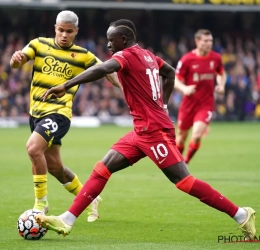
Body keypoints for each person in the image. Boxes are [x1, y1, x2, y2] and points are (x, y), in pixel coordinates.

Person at [35, 19, 256, 240]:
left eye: (111, 41)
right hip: (141, 130)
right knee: (102, 169)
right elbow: (169, 73)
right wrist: (164, 105)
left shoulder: (126, 56)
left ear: (123, 39)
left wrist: (66, 84)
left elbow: (103, 68)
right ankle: (67, 219)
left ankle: (241, 214)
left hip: (154, 131)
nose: (108, 46)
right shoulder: (149, 55)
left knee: (184, 181)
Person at [10, 10, 120, 222]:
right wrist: (16, 59)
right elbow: (18, 62)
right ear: (55, 28)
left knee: (33, 148)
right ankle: (90, 198)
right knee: (55, 168)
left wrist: (124, 88)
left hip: (59, 114)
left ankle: (40, 206)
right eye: (61, 30)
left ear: (76, 32)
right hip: (36, 114)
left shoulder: (83, 55)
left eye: (69, 32)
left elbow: (108, 70)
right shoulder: (39, 44)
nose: (64, 35)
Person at [174, 29, 227, 164]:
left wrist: (221, 85)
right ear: (197, 41)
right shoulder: (187, 59)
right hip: (188, 104)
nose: (209, 43)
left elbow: (221, 73)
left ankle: (185, 163)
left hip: (206, 104)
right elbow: (176, 80)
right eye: (206, 41)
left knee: (196, 135)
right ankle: (175, 165)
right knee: (181, 138)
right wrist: (184, 88)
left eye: (211, 41)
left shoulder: (216, 58)